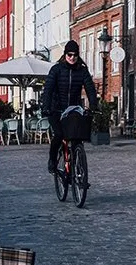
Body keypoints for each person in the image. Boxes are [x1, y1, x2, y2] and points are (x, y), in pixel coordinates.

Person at [40, 39, 98, 174]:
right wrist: (46, 107)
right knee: (59, 134)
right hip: (56, 109)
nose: (72, 58)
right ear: (65, 55)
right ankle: (52, 160)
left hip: (73, 109)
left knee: (77, 137)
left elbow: (90, 88)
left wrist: (94, 105)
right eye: (69, 55)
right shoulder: (56, 69)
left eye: (75, 55)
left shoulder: (82, 71)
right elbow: (48, 89)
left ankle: (78, 170)